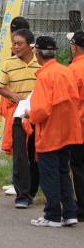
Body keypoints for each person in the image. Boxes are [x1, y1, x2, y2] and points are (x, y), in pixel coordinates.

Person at [25, 36, 82, 228]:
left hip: (50, 132)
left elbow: (41, 110)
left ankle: (52, 214)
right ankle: (70, 212)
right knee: (63, 171)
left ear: (38, 53)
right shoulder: (65, 71)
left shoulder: (44, 76)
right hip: (68, 131)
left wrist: (28, 114)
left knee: (49, 173)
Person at [0, 28, 40, 209]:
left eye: (19, 43)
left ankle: (32, 191)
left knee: (35, 154)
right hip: (18, 115)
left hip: (37, 114)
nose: (15, 47)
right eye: (13, 43)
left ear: (31, 46)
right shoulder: (8, 63)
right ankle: (22, 195)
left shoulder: (41, 64)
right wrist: (12, 95)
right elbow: (1, 88)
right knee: (20, 155)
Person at [67, 31, 84, 221]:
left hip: (78, 126)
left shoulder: (72, 70)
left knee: (78, 167)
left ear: (74, 47)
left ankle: (82, 207)